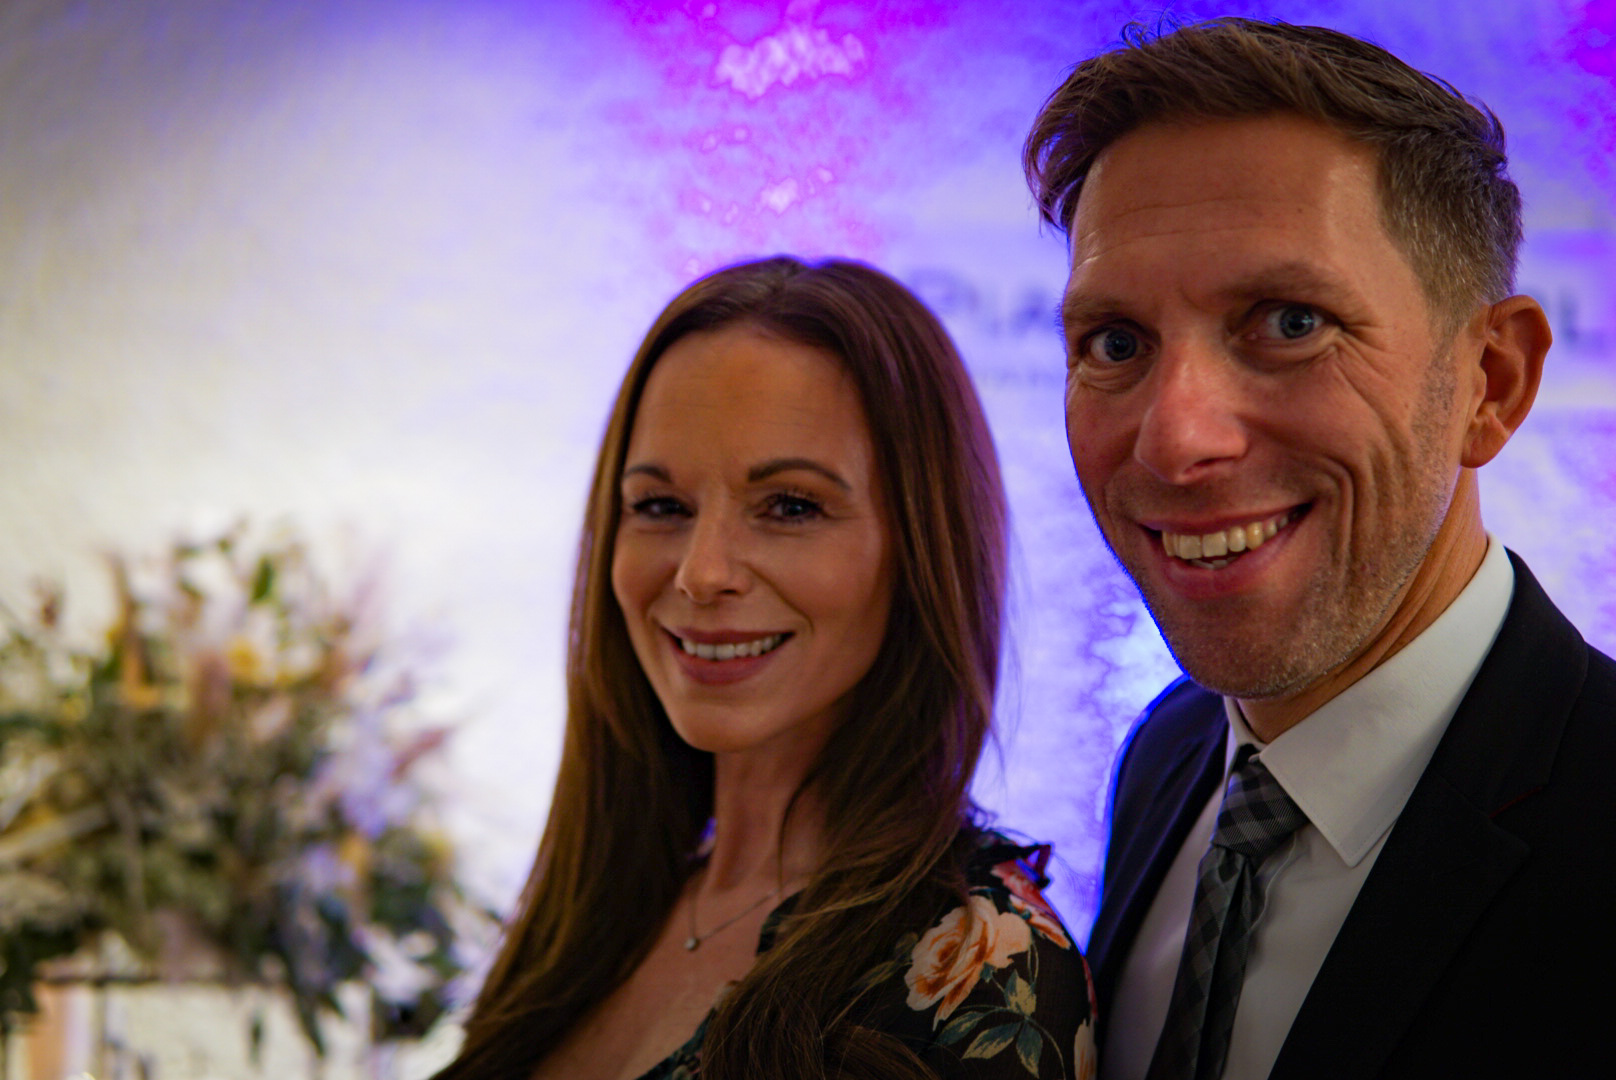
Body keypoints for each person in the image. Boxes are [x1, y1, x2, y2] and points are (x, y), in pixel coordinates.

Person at [1021, 18, 1615, 1080]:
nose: (1174, 440)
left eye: (1290, 322)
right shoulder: (1171, 753)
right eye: (1115, 343)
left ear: (1490, 384)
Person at [432, 257, 1095, 1080]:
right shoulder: (599, 909)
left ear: (924, 548)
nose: (701, 573)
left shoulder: (982, 972)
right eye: (661, 507)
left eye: (791, 506)